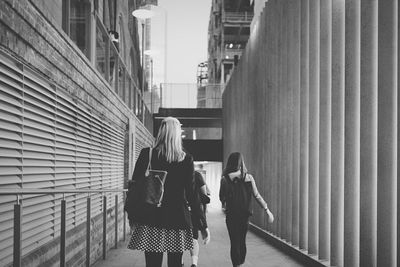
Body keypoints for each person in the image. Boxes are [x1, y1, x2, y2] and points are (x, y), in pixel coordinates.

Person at [127, 117, 210, 267]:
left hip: (151, 218)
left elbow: (134, 188)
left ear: (161, 133)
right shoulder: (186, 160)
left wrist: (132, 216)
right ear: (178, 134)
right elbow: (192, 195)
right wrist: (203, 225)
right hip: (176, 220)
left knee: (152, 264)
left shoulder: (147, 154)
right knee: (175, 263)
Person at [219, 152, 274, 267]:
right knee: (241, 240)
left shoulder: (224, 179)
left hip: (231, 216)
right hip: (244, 215)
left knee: (234, 242)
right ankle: (241, 263)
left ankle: (236, 265)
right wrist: (267, 209)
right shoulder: (248, 178)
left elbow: (221, 198)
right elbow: (257, 195)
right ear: (241, 163)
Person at [184, 170, 210, 267]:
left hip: (179, 210)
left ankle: (180, 262)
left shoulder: (174, 173)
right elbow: (203, 198)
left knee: (179, 237)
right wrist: (203, 221)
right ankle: (194, 263)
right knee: (194, 237)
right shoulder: (197, 175)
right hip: (194, 211)